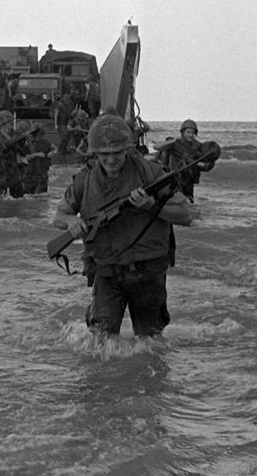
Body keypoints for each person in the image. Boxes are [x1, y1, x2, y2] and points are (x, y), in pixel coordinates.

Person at [53, 114, 192, 337]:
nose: (111, 159)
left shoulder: (151, 174)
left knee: (150, 342)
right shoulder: (84, 180)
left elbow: (185, 215)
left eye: (117, 153)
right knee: (101, 340)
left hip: (147, 271)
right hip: (107, 270)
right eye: (104, 154)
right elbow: (59, 216)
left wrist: (151, 205)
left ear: (128, 148)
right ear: (94, 153)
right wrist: (72, 221)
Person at [152, 119, 220, 202]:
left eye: (193, 132)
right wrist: (172, 141)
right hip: (173, 176)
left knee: (188, 201)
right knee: (172, 200)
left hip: (188, 180)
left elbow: (207, 163)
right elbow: (156, 146)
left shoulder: (197, 145)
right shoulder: (174, 142)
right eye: (188, 132)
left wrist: (193, 161)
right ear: (183, 132)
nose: (191, 135)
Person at [23, 123, 55, 194]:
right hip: (29, 176)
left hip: (42, 176)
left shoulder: (45, 142)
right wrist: (36, 154)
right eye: (39, 135)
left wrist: (52, 152)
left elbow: (55, 148)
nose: (40, 138)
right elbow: (23, 157)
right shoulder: (26, 143)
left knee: (42, 197)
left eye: (42, 135)